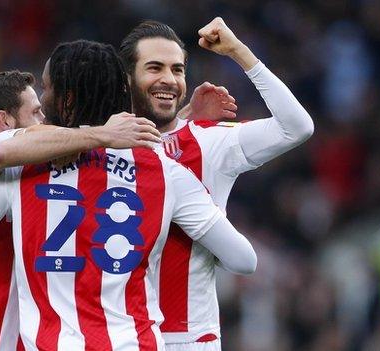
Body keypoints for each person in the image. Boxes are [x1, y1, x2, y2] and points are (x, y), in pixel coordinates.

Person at [0, 40, 257, 351]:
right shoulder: (166, 172)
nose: (42, 104)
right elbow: (243, 259)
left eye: (47, 88)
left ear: (64, 99)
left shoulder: (21, 172)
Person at [0, 70, 162, 350]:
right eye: (35, 113)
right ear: (4, 120)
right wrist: (103, 133)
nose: (44, 121)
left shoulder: (31, 173)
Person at [118, 18, 314, 350]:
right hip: (115, 334)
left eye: (177, 70)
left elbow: (296, 128)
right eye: (154, 68)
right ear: (127, 80)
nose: (169, 79)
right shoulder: (98, 142)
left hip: (188, 339)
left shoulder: (209, 142)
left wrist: (238, 52)